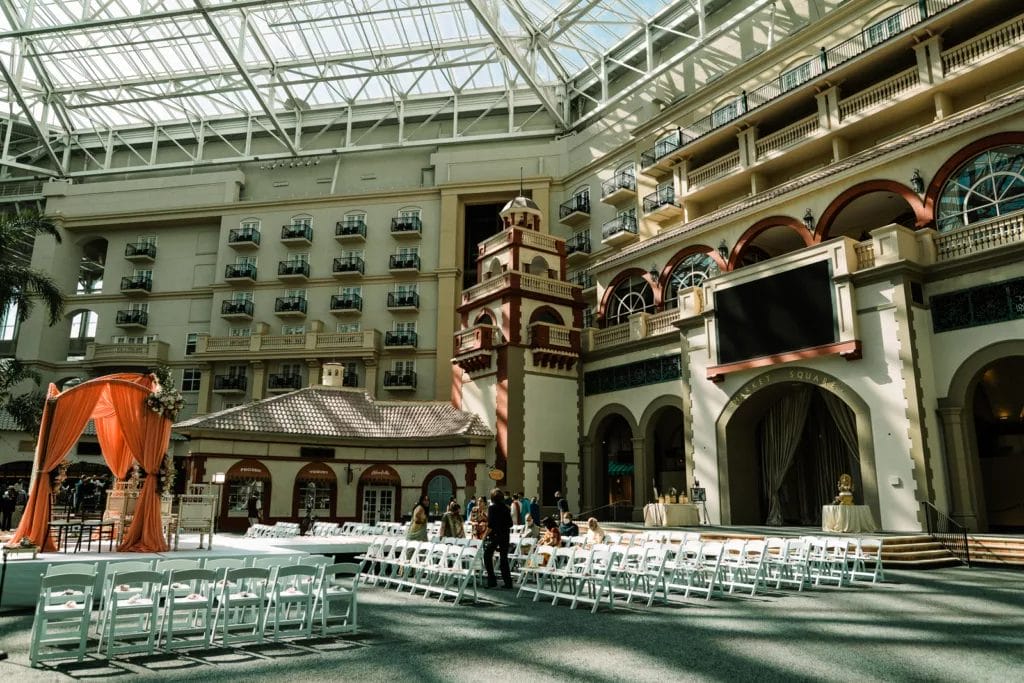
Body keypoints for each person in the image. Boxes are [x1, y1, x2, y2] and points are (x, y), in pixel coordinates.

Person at [483, 488, 513, 589]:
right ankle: (508, 582)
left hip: (495, 535)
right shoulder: (506, 508)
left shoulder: (492, 508)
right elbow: (510, 523)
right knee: (503, 558)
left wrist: (484, 536)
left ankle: (492, 580)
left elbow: (490, 525)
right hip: (505, 534)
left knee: (487, 555)